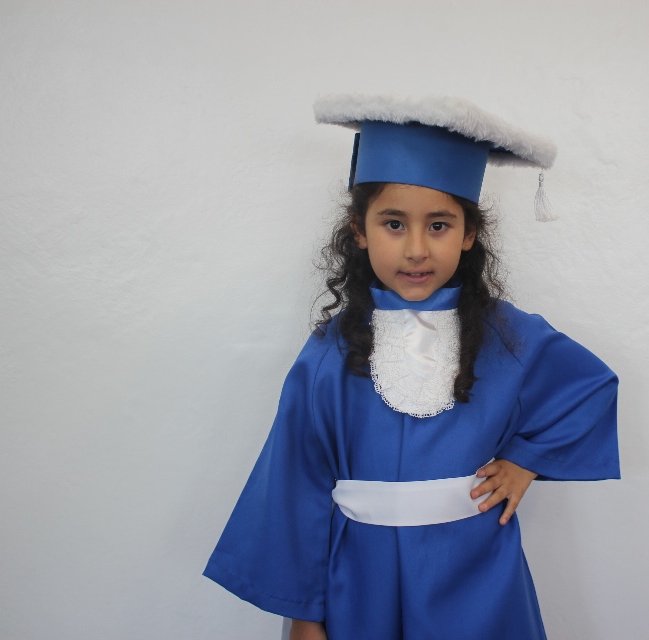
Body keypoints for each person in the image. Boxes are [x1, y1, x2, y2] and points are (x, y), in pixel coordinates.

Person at [204, 94, 620, 640]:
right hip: (360, 576)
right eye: (394, 224)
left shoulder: (509, 337)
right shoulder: (330, 352)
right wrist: (304, 613)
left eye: (439, 225)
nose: (417, 249)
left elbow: (590, 387)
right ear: (359, 230)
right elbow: (294, 483)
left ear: (469, 234)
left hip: (475, 571)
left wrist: (526, 461)